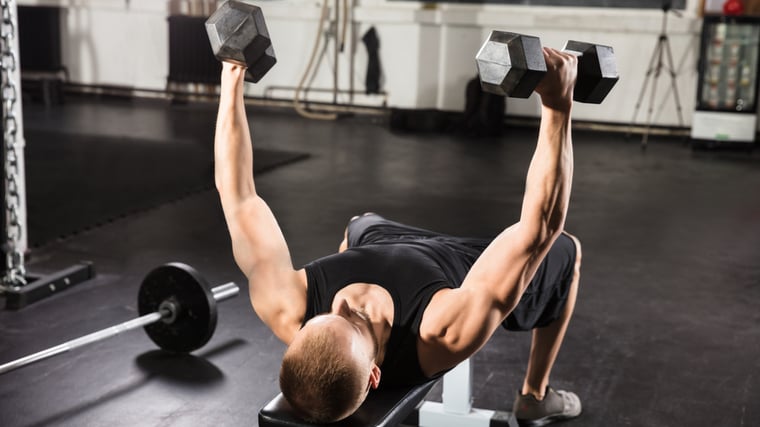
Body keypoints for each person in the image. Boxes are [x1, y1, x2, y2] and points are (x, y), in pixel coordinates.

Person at [213, 47, 582, 426]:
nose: (344, 302)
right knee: (565, 248)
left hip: (382, 242)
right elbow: (536, 230)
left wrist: (232, 72)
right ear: (375, 374)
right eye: (354, 321)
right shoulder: (441, 330)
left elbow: (238, 195)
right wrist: (557, 105)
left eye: (324, 314)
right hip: (457, 264)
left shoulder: (286, 305)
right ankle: (535, 395)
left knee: (359, 223)